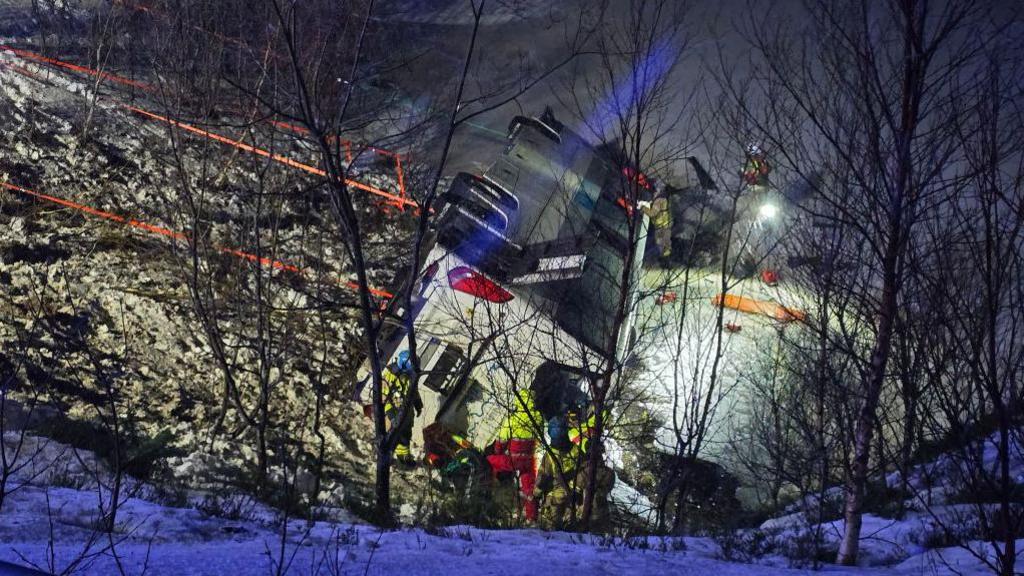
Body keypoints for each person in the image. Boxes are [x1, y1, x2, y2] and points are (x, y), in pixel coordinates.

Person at [486, 389, 543, 523]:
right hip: (529, 460)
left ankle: (490, 493)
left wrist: (497, 452)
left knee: (488, 461)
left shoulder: (512, 420)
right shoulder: (538, 417)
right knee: (529, 490)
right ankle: (532, 518)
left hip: (513, 460)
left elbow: (501, 443)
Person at [382, 350, 422, 467]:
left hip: (406, 410)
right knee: (392, 435)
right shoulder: (390, 375)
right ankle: (385, 458)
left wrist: (418, 404)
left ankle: (403, 457)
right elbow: (384, 397)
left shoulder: (411, 374)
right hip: (394, 410)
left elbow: (413, 390)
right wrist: (390, 414)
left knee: (405, 435)